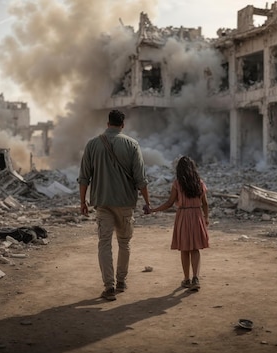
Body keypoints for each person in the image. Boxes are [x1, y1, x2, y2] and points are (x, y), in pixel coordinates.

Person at [78, 109, 151, 301]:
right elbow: (141, 180)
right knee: (124, 243)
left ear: (107, 123)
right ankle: (121, 281)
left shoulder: (93, 144)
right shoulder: (132, 144)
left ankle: (108, 287)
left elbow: (84, 177)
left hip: (102, 203)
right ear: (123, 125)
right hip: (126, 203)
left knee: (104, 244)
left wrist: (82, 202)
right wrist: (147, 202)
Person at [149, 156, 209, 291]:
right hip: (196, 215)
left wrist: (154, 209)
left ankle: (186, 279)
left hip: (183, 216)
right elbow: (205, 203)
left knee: (184, 249)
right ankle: (196, 278)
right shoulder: (200, 183)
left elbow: (169, 203)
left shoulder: (177, 184)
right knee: (195, 248)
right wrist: (206, 218)